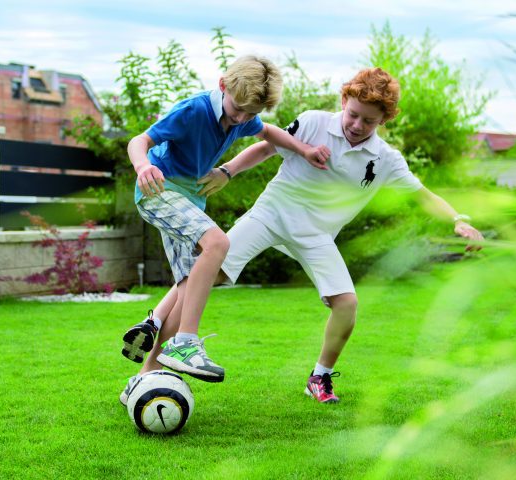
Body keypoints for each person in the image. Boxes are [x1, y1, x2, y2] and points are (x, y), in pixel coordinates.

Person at [120, 66, 484, 405]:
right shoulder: (312, 122)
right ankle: (150, 360)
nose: (357, 124)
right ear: (344, 101)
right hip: (271, 213)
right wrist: (227, 171)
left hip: (317, 235)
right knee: (205, 270)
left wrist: (457, 218)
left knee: (347, 305)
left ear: (385, 119)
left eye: (369, 120)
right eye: (353, 113)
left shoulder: (386, 159)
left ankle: (320, 377)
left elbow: (423, 195)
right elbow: (265, 146)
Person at [120, 55, 331, 397]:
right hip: (159, 191)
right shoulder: (194, 110)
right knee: (217, 245)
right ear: (223, 85)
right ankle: (185, 343)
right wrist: (143, 166)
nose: (242, 119)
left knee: (188, 286)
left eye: (250, 113)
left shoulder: (243, 117)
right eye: (238, 109)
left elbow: (268, 133)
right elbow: (138, 141)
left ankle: (144, 375)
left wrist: (303, 150)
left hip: (189, 198)